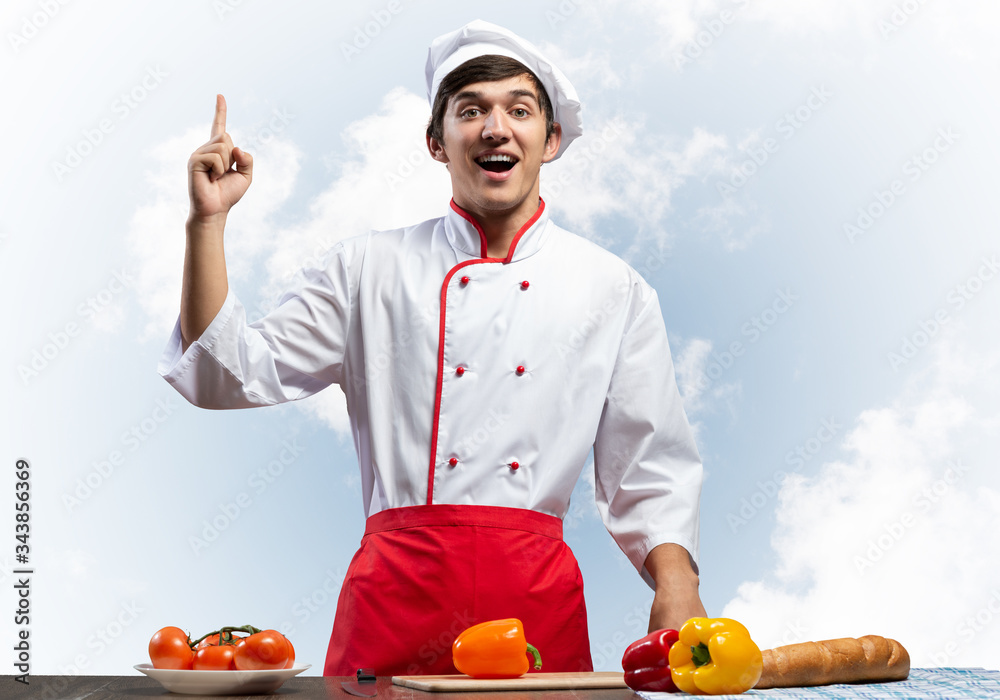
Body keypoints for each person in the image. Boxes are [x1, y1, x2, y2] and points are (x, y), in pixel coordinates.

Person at [159, 20, 706, 676]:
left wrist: (678, 590)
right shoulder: (366, 269)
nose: (495, 128)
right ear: (436, 142)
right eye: (470, 110)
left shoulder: (614, 289)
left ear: (550, 140)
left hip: (535, 606)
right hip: (394, 598)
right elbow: (226, 376)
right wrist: (207, 223)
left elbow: (648, 467)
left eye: (520, 110)